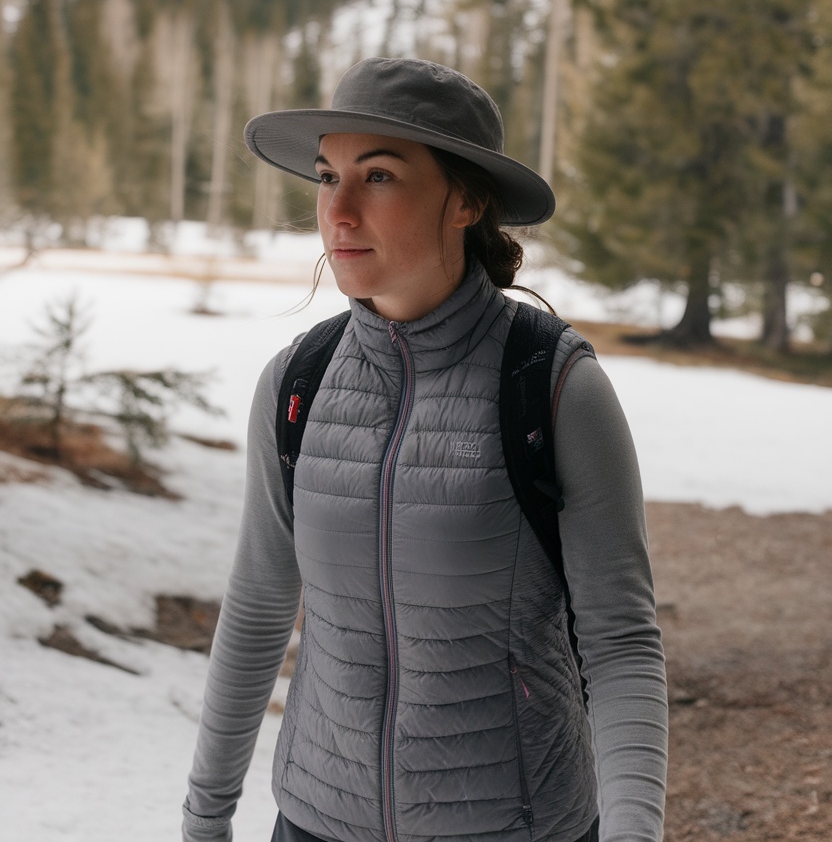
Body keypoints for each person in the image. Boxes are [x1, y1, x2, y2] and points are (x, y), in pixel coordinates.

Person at [182, 56, 668, 842]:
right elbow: (260, 602)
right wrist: (205, 816)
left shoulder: (552, 384)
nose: (337, 209)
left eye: (377, 177)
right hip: (315, 819)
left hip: (512, 824)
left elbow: (620, 642)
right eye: (326, 176)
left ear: (466, 200)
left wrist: (634, 831)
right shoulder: (297, 383)